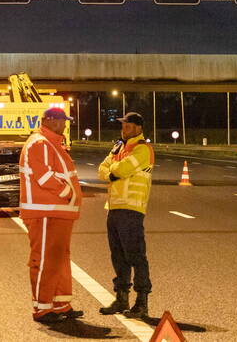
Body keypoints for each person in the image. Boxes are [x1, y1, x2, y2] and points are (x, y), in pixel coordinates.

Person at [19, 107, 84, 324]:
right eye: (62, 120)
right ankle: (42, 307)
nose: (65, 124)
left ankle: (60, 304)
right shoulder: (40, 143)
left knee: (59, 259)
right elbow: (44, 176)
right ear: (50, 120)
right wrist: (68, 193)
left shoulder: (53, 144)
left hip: (58, 212)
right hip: (45, 211)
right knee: (46, 260)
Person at [97, 112, 155, 318]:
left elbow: (120, 170)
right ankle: (121, 299)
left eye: (128, 126)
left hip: (132, 208)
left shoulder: (142, 149)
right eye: (123, 125)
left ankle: (141, 302)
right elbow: (102, 169)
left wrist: (112, 171)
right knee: (118, 256)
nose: (124, 128)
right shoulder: (119, 147)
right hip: (113, 208)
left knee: (136, 256)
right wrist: (112, 171)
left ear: (139, 128)